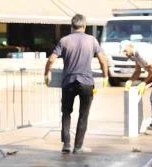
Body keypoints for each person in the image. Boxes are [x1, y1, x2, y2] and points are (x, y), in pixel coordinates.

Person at [44, 13, 110, 154]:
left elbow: (51, 59)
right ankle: (78, 147)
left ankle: (66, 144)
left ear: (71, 26)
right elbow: (103, 60)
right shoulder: (92, 40)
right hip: (86, 82)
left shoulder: (64, 40)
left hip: (68, 82)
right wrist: (105, 77)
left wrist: (46, 74)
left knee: (66, 113)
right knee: (83, 115)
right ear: (84, 26)